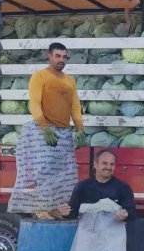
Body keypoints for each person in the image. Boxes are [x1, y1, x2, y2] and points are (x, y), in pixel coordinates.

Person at [8, 42, 84, 218]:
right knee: (44, 172)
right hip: (44, 133)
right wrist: (44, 128)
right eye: (58, 56)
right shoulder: (39, 76)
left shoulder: (69, 80)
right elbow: (34, 104)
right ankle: (41, 210)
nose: (61, 60)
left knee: (63, 175)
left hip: (64, 133)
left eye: (64, 57)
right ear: (49, 56)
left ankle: (55, 209)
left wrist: (80, 128)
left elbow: (75, 106)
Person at [58, 149, 136, 221]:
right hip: (87, 235)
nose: (108, 167)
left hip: (113, 235)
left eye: (112, 164)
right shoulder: (82, 187)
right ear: (95, 164)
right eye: (104, 163)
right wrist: (65, 212)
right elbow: (72, 214)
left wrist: (127, 215)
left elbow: (132, 213)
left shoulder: (123, 188)